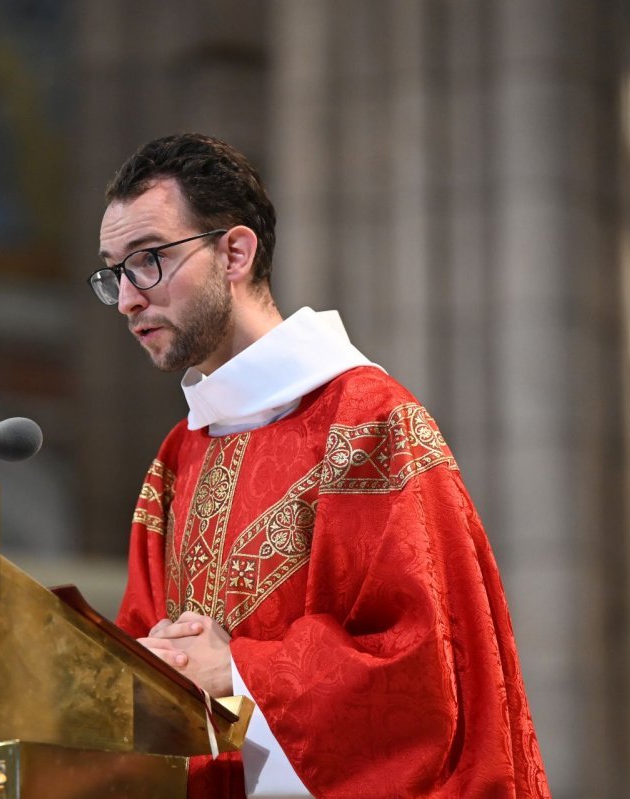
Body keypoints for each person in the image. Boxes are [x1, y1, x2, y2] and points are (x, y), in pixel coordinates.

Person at [93, 133, 550, 798]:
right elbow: (136, 649)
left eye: (149, 260)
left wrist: (239, 673)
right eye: (114, 273)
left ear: (236, 252)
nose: (129, 297)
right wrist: (148, 665)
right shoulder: (178, 457)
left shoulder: (368, 421)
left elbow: (426, 673)